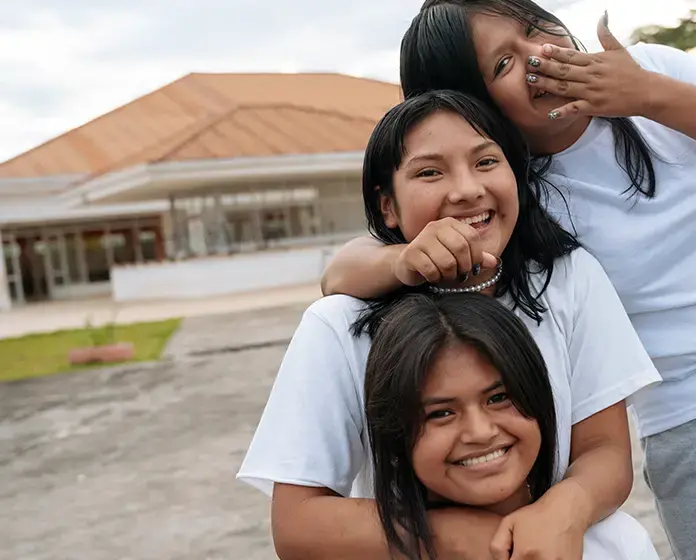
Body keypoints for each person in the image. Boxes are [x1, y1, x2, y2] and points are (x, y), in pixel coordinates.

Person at [318, 2, 696, 559]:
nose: (541, 55)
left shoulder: (650, 72)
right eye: (506, 62)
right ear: (472, 106)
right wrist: (400, 261)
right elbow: (342, 272)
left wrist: (646, 94)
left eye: (538, 30)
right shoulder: (509, 194)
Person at [238, 89, 662, 559]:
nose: (465, 189)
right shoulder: (341, 324)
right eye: (429, 172)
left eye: (485, 162)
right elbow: (299, 525)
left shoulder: (568, 279)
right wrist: (465, 537)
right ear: (387, 207)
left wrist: (561, 512)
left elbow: (605, 452)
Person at [364, 292, 659, 560]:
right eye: (441, 413)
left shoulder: (619, 545)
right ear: (396, 435)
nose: (480, 432)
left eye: (499, 398)